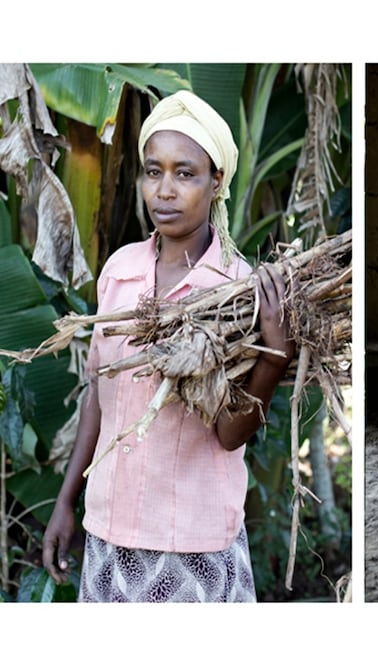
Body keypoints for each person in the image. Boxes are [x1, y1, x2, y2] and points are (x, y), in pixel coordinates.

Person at [41, 90, 297, 602]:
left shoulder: (236, 289)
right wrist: (66, 501)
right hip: (109, 531)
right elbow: (99, 395)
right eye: (153, 172)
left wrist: (276, 356)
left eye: (185, 174)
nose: (164, 191)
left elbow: (229, 434)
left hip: (192, 544)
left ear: (215, 181)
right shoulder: (120, 271)